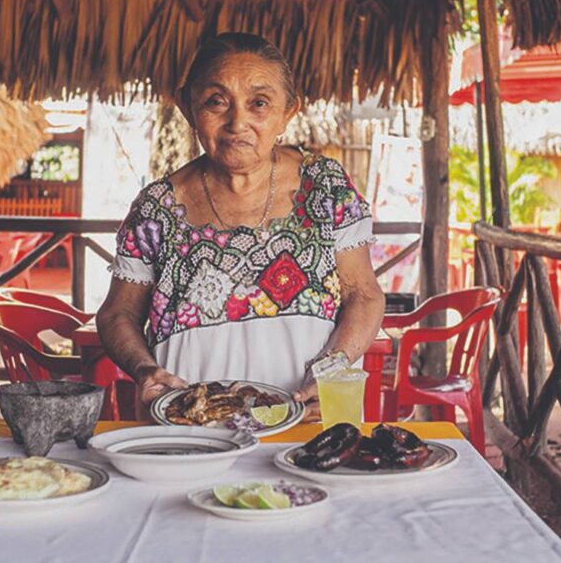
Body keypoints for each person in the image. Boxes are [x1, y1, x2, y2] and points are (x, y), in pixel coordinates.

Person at [96, 32, 384, 420]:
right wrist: (144, 369)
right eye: (216, 102)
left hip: (305, 423)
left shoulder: (325, 187)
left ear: (288, 113)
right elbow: (117, 314)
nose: (237, 122)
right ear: (187, 107)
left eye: (259, 103)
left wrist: (332, 371)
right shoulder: (157, 208)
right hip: (186, 428)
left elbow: (364, 295)